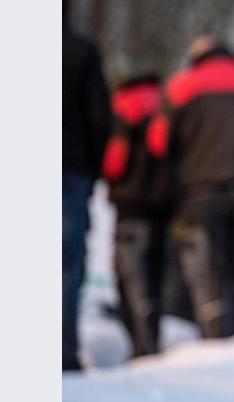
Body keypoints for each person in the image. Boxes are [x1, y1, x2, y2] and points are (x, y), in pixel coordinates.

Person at [147, 36, 234, 338]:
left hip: (202, 193)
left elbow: (158, 142)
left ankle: (214, 338)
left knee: (208, 271)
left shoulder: (182, 86)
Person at [102, 73, 172, 357]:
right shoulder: (170, 105)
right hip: (164, 207)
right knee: (155, 278)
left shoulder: (123, 107)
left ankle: (142, 347)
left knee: (131, 278)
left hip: (130, 206)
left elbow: (114, 162)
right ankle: (152, 341)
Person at [62, 3, 111, 370]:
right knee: (65, 267)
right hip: (69, 170)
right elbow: (99, 118)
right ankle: (63, 351)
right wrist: (92, 171)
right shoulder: (79, 49)